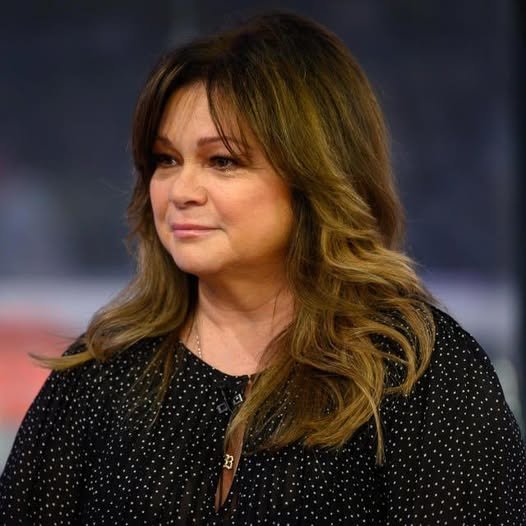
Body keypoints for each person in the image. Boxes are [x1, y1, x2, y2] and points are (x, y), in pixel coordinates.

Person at [1, 10, 525, 525]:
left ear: (313, 176)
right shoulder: (101, 375)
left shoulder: (422, 375)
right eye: (166, 160)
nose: (181, 191)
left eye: (222, 161)